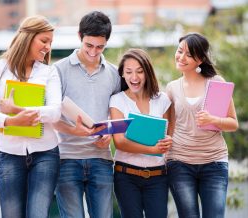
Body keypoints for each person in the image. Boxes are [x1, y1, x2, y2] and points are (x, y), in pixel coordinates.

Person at [0, 15, 62, 218]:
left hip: (45, 154)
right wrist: (10, 121)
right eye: (44, 41)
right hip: (9, 155)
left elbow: (55, 111)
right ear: (27, 37)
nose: (48, 47)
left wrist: (16, 109)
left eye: (50, 42)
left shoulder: (50, 73)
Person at [52, 11, 120, 218]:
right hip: (66, 158)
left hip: (101, 159)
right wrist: (75, 130)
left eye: (100, 47)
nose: (93, 52)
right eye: (89, 45)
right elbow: (51, 117)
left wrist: (109, 133)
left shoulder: (114, 74)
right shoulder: (58, 70)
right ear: (79, 35)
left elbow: (116, 116)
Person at [166, 32, 239, 218]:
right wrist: (165, 157)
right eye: (180, 51)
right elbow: (170, 127)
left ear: (200, 60)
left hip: (213, 162)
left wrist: (213, 120)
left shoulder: (216, 83)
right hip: (180, 162)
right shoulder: (172, 88)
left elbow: (233, 123)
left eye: (189, 54)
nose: (181, 57)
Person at [109, 48, 172, 218]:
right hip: (126, 176)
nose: (134, 77)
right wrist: (153, 149)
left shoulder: (163, 100)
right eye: (128, 72)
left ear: (147, 72)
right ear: (122, 73)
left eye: (139, 71)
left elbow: (169, 135)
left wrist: (167, 142)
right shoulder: (117, 101)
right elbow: (120, 142)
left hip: (158, 176)